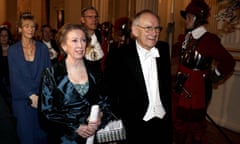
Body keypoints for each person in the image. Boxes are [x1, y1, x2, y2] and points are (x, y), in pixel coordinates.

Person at [103, 9, 172, 144]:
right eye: (148, 28)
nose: (154, 33)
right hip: (133, 127)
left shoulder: (163, 50)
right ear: (135, 31)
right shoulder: (118, 56)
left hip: (162, 123)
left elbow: (166, 88)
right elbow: (109, 94)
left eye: (157, 28)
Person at [172, 0, 236, 144]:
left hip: (196, 89)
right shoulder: (184, 38)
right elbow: (174, 53)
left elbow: (229, 61)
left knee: (194, 127)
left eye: (189, 17)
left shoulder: (209, 41)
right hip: (181, 86)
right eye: (186, 17)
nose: (186, 20)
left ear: (197, 20)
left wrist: (214, 76)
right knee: (179, 122)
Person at [38, 23, 113, 144]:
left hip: (93, 137)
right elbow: (46, 113)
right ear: (64, 45)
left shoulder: (94, 71)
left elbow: (105, 102)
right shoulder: (52, 73)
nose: (80, 45)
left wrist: (101, 115)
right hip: (64, 138)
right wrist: (75, 127)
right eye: (74, 40)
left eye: (83, 40)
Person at [8, 12, 51, 144]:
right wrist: (30, 95)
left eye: (33, 26)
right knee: (26, 137)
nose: (30, 29)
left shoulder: (43, 48)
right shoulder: (13, 50)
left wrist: (41, 95)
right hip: (22, 101)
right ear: (20, 28)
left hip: (41, 100)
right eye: (26, 26)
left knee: (42, 136)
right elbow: (15, 77)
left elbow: (48, 74)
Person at [80, 6, 105, 74]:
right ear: (82, 19)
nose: (94, 19)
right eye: (90, 17)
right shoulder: (77, 36)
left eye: (95, 17)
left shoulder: (100, 36)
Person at [0, 26, 13, 109]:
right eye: (1, 35)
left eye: (6, 35)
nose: (4, 37)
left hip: (10, 84)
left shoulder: (14, 49)